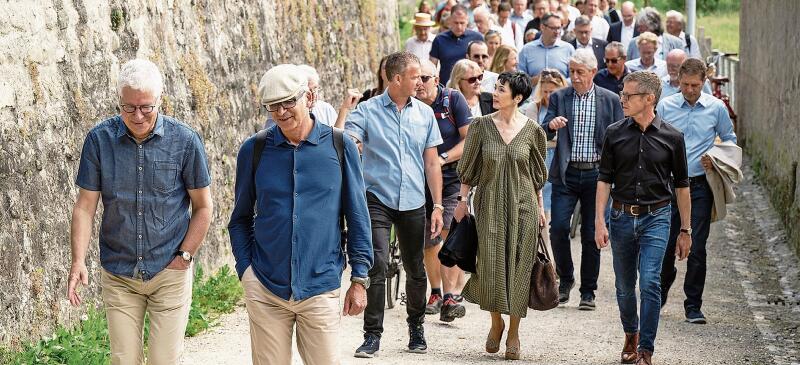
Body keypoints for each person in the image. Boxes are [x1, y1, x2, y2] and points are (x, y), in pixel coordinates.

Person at [68, 59, 213, 364]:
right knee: (124, 359)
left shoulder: (185, 141)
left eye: (146, 107)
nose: (137, 115)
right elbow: (85, 207)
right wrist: (78, 260)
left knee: (165, 359)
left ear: (160, 100)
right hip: (119, 272)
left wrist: (185, 256)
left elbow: (203, 207)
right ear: (118, 102)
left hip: (169, 271)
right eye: (128, 107)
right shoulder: (99, 140)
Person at [228, 64, 374, 365]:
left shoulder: (340, 145)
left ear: (308, 97)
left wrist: (359, 278)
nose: (281, 112)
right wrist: (247, 272)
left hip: (320, 284)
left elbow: (357, 215)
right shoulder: (253, 150)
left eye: (288, 102)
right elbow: (240, 218)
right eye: (272, 106)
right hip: (266, 286)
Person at [342, 51, 445, 358]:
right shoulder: (367, 111)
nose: (421, 82)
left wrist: (438, 205)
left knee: (415, 268)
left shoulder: (425, 113)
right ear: (397, 78)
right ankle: (372, 335)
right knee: (377, 264)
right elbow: (348, 142)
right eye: (416, 77)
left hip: (414, 200)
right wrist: (351, 133)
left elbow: (432, 163)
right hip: (377, 199)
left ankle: (416, 327)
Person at [595, 70, 692, 365]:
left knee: (650, 281)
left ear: (649, 99)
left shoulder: (673, 137)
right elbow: (604, 179)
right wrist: (599, 220)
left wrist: (685, 230)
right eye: (622, 94)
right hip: (621, 216)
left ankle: (646, 350)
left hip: (657, 217)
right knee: (624, 286)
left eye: (628, 95)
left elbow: (682, 185)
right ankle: (631, 334)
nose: (622, 99)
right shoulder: (614, 133)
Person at [453, 71, 548, 360]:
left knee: (520, 265)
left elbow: (536, 176)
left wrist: (541, 208)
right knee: (491, 264)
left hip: (524, 207)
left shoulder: (533, 131)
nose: (494, 93)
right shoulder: (480, 126)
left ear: (517, 97)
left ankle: (514, 331)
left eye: (501, 89)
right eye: (495, 88)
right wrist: (461, 199)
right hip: (489, 204)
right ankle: (496, 322)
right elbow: (468, 168)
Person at [541, 48, 624, 310]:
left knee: (592, 233)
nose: (574, 77)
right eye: (571, 71)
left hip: (597, 175)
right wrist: (551, 125)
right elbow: (542, 129)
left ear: (592, 72)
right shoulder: (559, 97)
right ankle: (566, 279)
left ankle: (588, 290)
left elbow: (620, 137)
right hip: (566, 173)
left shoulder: (609, 100)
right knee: (559, 229)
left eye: (580, 72)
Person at [657, 58, 737, 325]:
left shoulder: (716, 108)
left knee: (697, 247)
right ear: (678, 80)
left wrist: (714, 156)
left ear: (704, 82)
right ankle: (659, 294)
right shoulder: (666, 106)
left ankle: (693, 306)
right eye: (686, 84)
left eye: (695, 85)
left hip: (700, 186)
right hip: (668, 186)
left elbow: (730, 141)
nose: (690, 89)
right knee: (666, 245)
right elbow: (654, 138)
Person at [415, 59, 471, 322]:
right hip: (419, 181)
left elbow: (468, 138)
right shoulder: (410, 104)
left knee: (447, 230)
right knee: (429, 238)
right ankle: (435, 292)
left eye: (424, 78)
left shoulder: (453, 100)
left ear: (435, 80)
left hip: (451, 178)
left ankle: (450, 296)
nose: (419, 84)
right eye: (416, 78)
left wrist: (443, 157)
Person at [522, 69, 568, 231]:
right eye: (545, 91)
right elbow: (530, 135)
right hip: (540, 157)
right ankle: (545, 253)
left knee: (558, 211)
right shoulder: (534, 108)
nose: (548, 95)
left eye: (552, 92)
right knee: (542, 210)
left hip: (560, 157)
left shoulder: (566, 106)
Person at [265, 65, 338, 128]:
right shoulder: (280, 113)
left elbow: (338, 138)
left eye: (315, 88)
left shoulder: (326, 109)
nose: (313, 94)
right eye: (308, 90)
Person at [431, 4, 485, 86]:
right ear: (450, 20)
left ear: (467, 20)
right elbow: (432, 68)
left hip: (472, 86)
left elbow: (485, 62)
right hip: (447, 88)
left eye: (462, 23)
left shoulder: (477, 37)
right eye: (456, 23)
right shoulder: (439, 39)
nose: (459, 27)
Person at [518, 13, 575, 79]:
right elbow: (521, 80)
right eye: (553, 28)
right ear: (542, 27)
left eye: (559, 28)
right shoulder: (526, 50)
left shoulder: (568, 49)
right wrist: (536, 80)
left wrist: (560, 82)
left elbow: (573, 78)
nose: (557, 32)